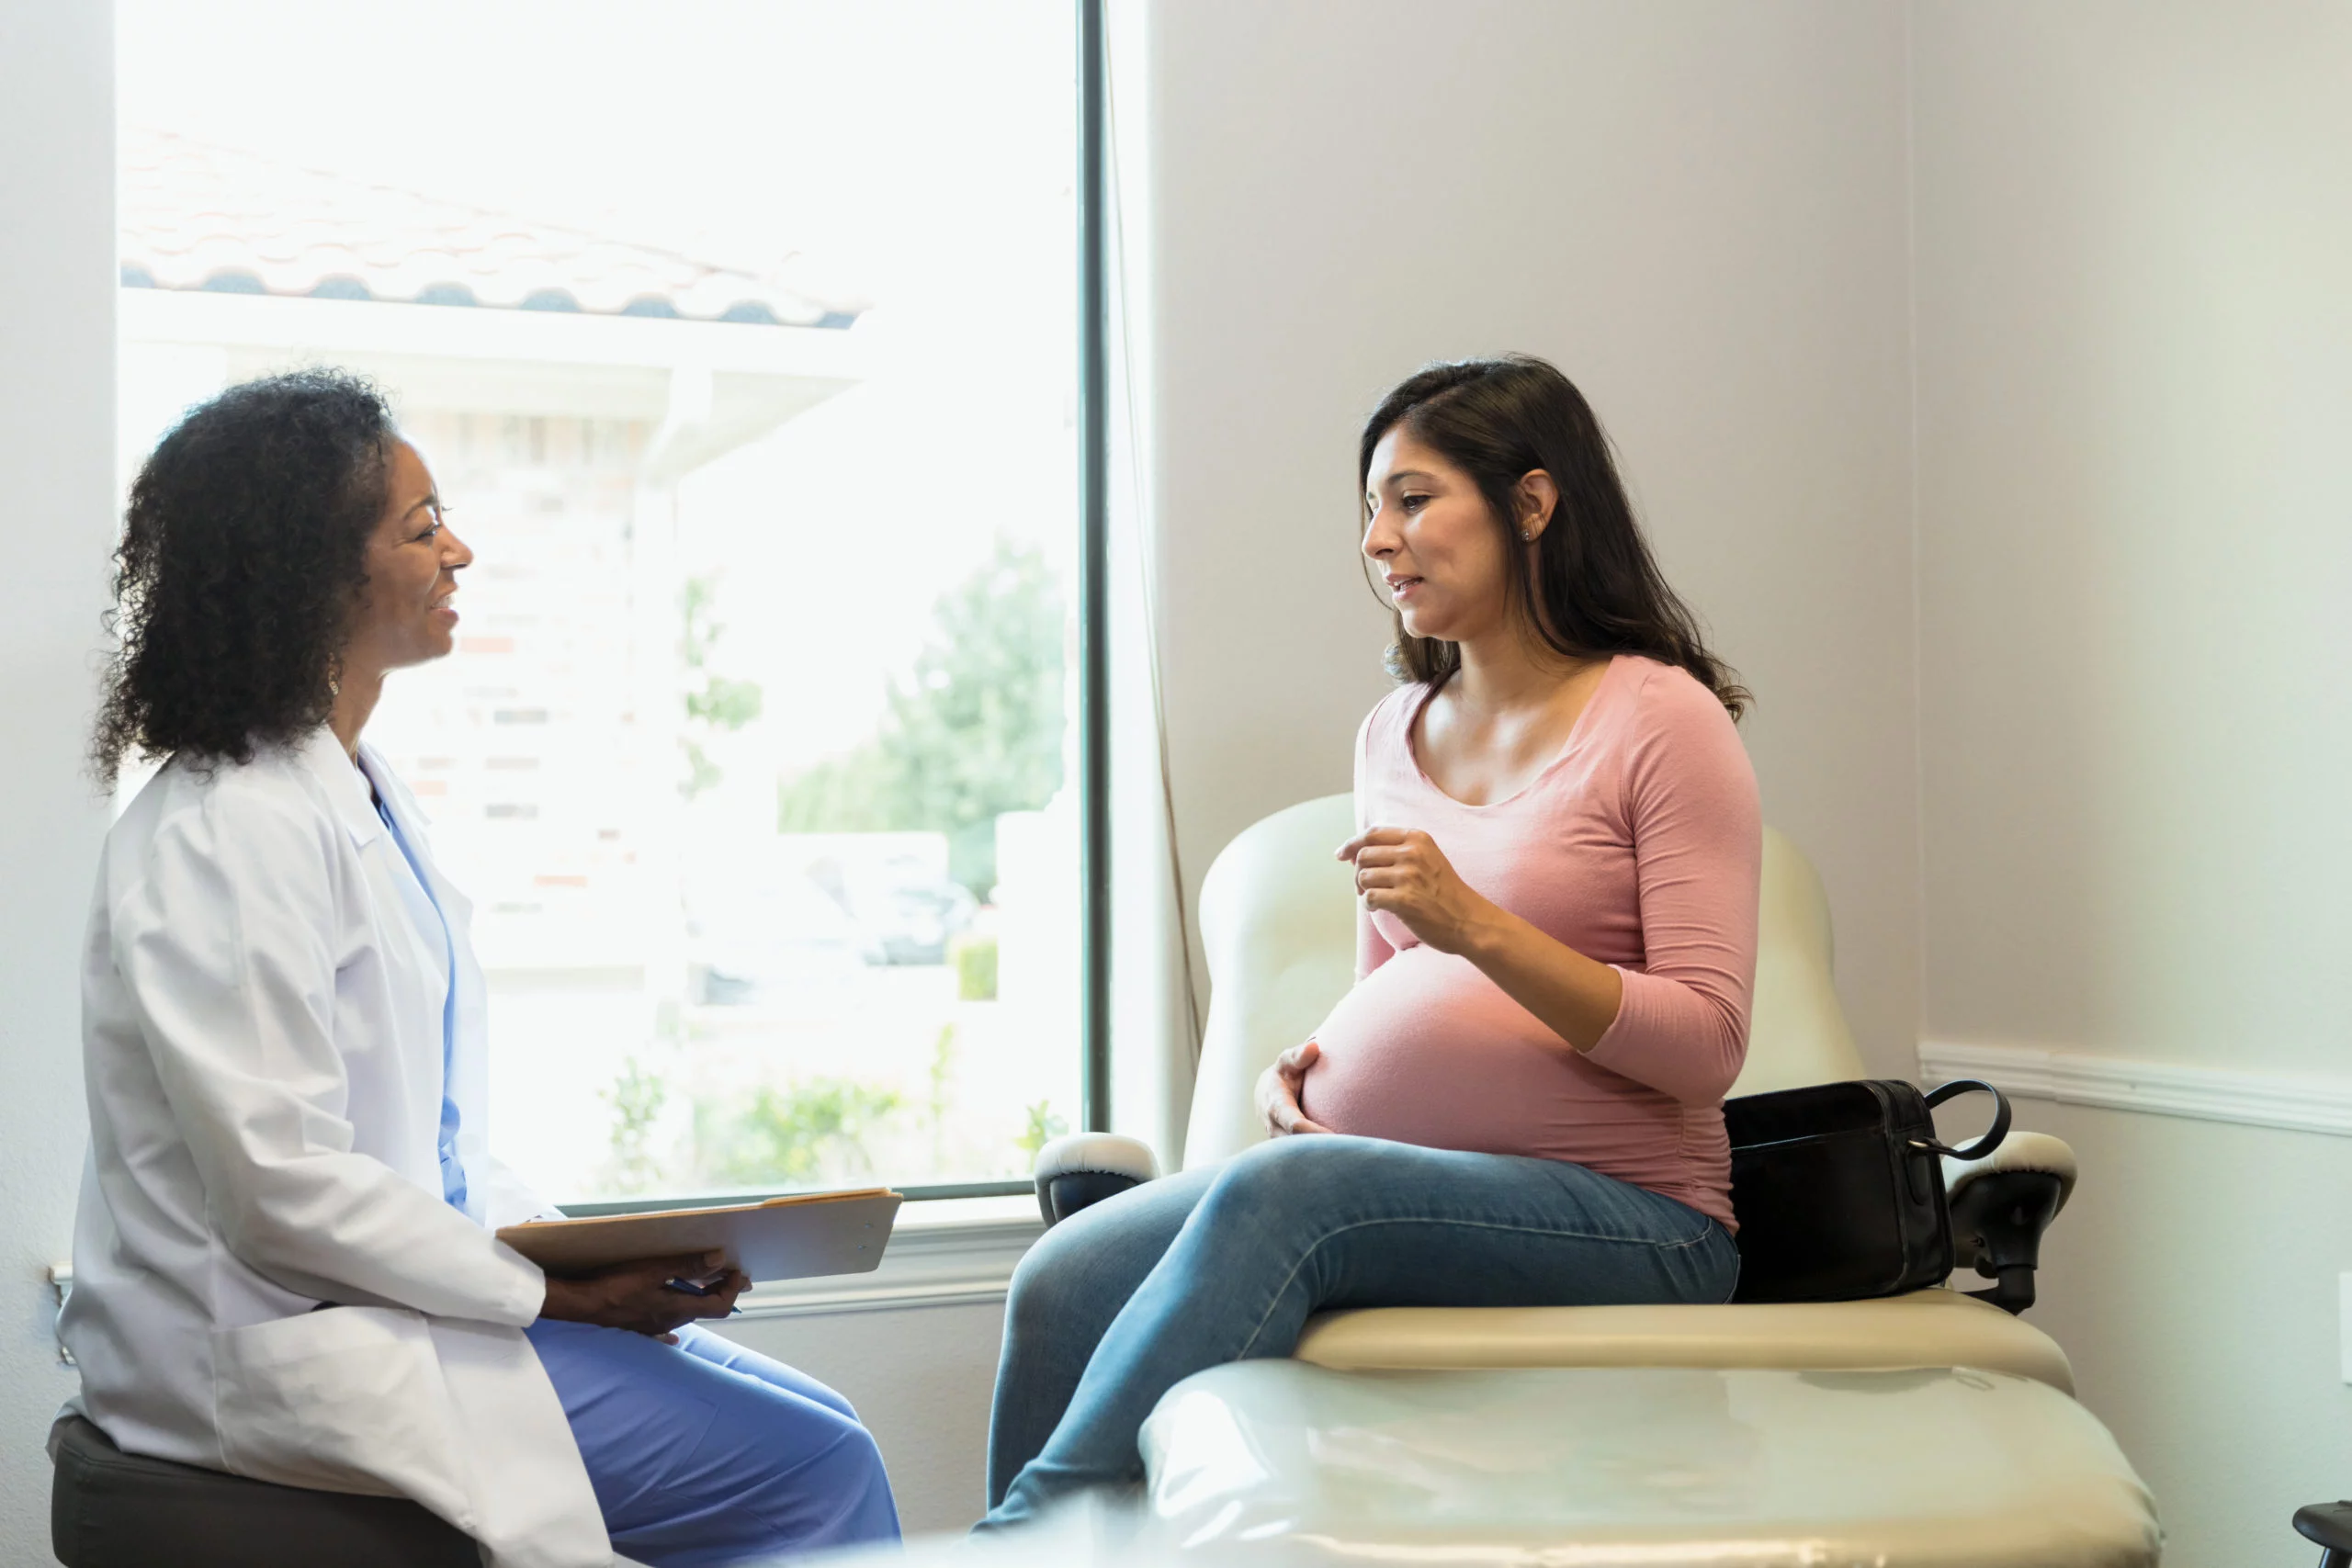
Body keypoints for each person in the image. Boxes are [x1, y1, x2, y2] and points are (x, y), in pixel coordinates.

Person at [66, 370, 899, 1568]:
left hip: (387, 1306)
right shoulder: (228, 825)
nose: (460, 548)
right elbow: (279, 1188)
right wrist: (553, 1292)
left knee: (830, 1425)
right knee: (816, 1471)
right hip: (266, 1348)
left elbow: (436, 1133)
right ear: (316, 572)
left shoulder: (353, 790)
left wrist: (577, 1250)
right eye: (421, 527)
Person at [981, 354, 1762, 1527]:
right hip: (1388, 1183)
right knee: (1065, 1273)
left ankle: (1028, 1543)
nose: (1376, 539)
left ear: (1533, 505)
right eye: (1368, 510)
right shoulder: (1394, 732)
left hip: (1639, 1219)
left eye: (1410, 498)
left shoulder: (1661, 720)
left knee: (1298, 1196)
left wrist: (1478, 928)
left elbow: (1707, 1046)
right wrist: (1303, 1070)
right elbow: (1392, 988)